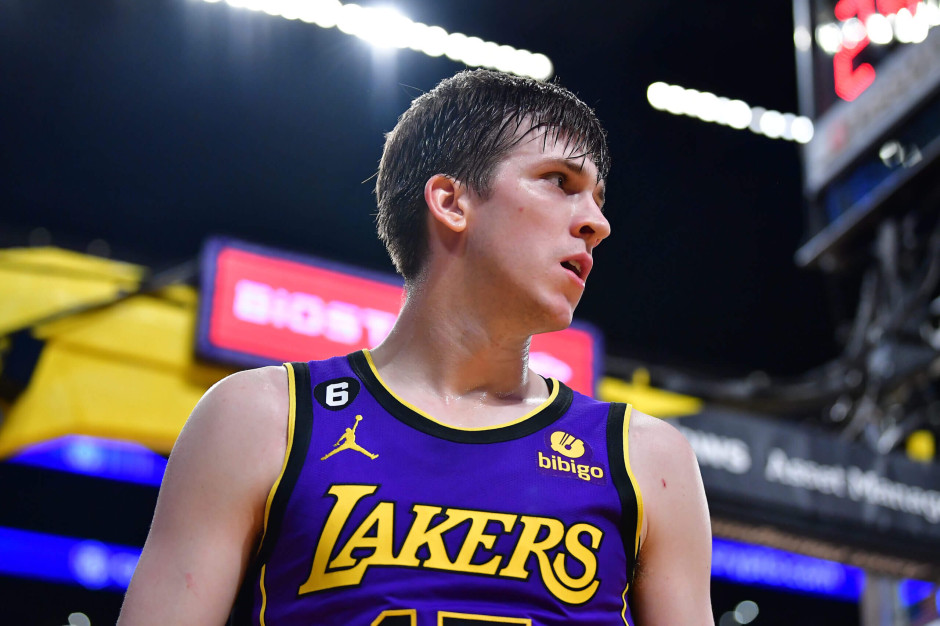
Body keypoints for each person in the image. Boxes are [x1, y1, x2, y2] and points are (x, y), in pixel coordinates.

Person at [118, 69, 713, 625]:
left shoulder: (648, 460)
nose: (596, 224)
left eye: (598, 199)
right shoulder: (261, 417)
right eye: (560, 182)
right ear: (451, 202)